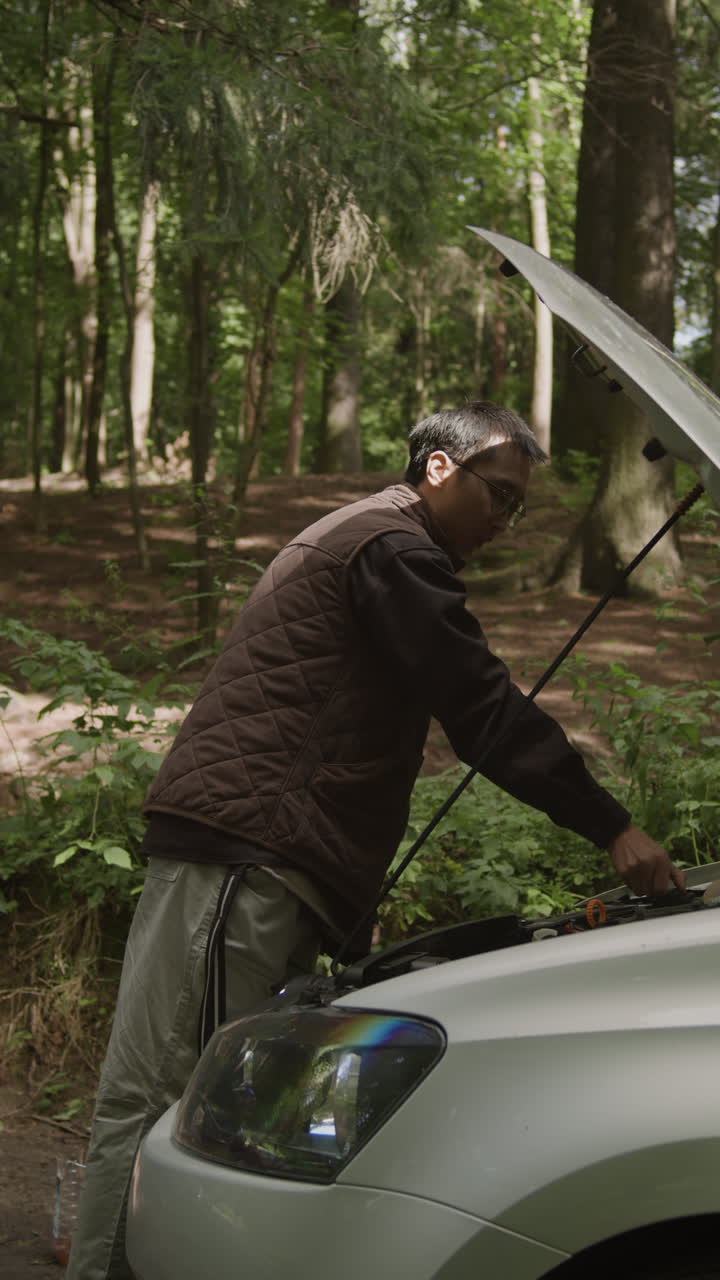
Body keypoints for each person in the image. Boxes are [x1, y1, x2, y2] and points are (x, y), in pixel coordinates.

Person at [66, 401, 684, 1280]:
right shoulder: (390, 547)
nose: (507, 521)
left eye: (519, 508)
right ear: (439, 469)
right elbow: (479, 705)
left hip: (270, 859)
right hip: (247, 855)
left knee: (217, 1113)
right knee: (166, 1101)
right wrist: (611, 824)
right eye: (499, 494)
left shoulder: (386, 545)